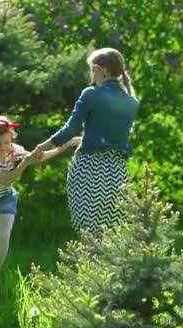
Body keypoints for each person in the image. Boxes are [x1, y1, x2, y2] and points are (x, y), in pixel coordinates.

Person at [0, 113, 80, 293]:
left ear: (11, 139)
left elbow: (40, 157)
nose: (3, 147)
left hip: (6, 199)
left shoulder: (14, 149)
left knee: (3, 240)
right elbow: (7, 179)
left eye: (7, 142)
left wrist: (66, 145)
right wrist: (24, 163)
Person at [31, 47, 140, 236]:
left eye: (93, 70)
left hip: (89, 170)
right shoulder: (132, 102)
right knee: (111, 236)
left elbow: (70, 129)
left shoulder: (91, 94)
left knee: (88, 234)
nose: (92, 76)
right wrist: (73, 142)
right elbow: (111, 138)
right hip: (117, 174)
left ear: (102, 69)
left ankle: (88, 267)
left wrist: (42, 147)